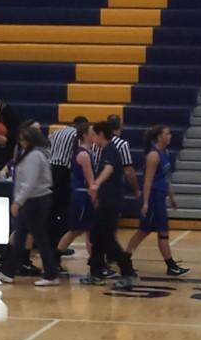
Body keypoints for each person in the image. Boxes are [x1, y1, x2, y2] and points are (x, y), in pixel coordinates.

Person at [0, 127, 58, 286]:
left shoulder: (34, 156)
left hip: (36, 200)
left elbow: (30, 182)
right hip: (31, 199)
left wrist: (18, 201)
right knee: (20, 236)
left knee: (39, 237)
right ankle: (8, 271)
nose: (21, 143)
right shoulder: (28, 154)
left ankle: (50, 274)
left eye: (24, 140)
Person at [125, 124, 190, 277]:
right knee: (148, 231)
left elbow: (166, 178)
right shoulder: (153, 155)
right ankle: (169, 265)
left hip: (160, 196)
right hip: (153, 197)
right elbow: (147, 181)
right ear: (159, 136)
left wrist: (172, 197)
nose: (170, 136)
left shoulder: (165, 152)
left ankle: (127, 259)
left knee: (151, 231)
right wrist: (146, 202)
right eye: (167, 134)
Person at [80, 121, 138, 288]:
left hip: (111, 202)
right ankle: (96, 272)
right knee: (96, 236)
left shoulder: (110, 149)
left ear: (100, 134)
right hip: (105, 200)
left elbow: (109, 168)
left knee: (106, 239)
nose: (91, 137)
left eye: (93, 134)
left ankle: (128, 272)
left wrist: (96, 184)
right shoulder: (106, 149)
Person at [55, 122, 95, 273]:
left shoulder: (84, 152)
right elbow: (91, 181)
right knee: (76, 230)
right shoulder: (84, 154)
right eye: (92, 132)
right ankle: (55, 257)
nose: (94, 134)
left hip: (81, 194)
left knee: (86, 230)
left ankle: (95, 262)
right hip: (82, 195)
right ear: (85, 135)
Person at [48, 116, 89, 249]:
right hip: (64, 172)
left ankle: (53, 242)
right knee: (64, 210)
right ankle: (59, 245)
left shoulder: (57, 131)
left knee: (53, 210)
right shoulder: (76, 135)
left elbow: (48, 145)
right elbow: (77, 154)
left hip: (51, 169)